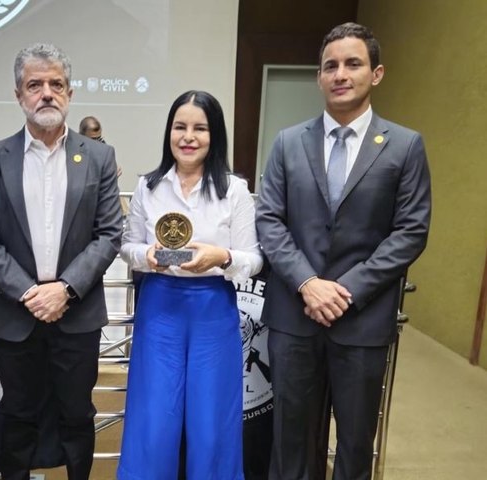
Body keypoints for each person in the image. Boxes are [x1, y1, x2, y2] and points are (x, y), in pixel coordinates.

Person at [255, 22, 431, 480]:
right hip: (294, 318)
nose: (340, 74)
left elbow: (411, 231)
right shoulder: (288, 143)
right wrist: (308, 283)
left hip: (362, 322)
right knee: (291, 440)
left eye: (353, 64)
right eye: (330, 66)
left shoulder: (405, 146)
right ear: (319, 77)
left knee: (354, 444)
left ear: (376, 74)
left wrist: (345, 290)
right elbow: (269, 220)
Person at [0, 43, 122, 480]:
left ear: (70, 92)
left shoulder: (99, 157)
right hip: (16, 313)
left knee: (77, 415)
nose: (47, 93)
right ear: (19, 95)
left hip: (77, 313)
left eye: (56, 84)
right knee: (18, 417)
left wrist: (65, 290)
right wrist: (31, 294)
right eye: (35, 85)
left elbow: (109, 234)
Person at [117, 90, 263, 479]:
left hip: (212, 309)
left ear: (215, 135)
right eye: (180, 127)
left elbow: (253, 259)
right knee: (153, 420)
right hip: (159, 307)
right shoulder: (148, 186)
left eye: (200, 128)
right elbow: (127, 246)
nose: (188, 137)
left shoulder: (234, 190)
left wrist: (222, 257)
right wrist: (145, 255)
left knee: (212, 423)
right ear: (169, 132)